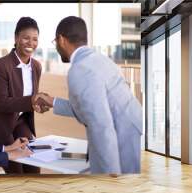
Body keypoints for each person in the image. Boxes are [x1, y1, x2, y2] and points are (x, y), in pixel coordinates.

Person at [33, 16, 143, 174]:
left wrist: (109, 177)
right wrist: (52, 102)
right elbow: (90, 108)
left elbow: (101, 127)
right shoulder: (100, 60)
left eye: (55, 42)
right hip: (132, 131)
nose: (56, 47)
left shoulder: (80, 69)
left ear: (61, 40)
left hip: (124, 141)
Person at [0, 17, 46, 174]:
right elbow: (0, 102)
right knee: (16, 168)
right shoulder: (0, 65)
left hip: (19, 120)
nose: (31, 43)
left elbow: (30, 100)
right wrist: (31, 101)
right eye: (26, 38)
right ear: (16, 38)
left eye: (35, 39)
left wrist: (38, 104)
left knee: (34, 161)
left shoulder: (36, 66)